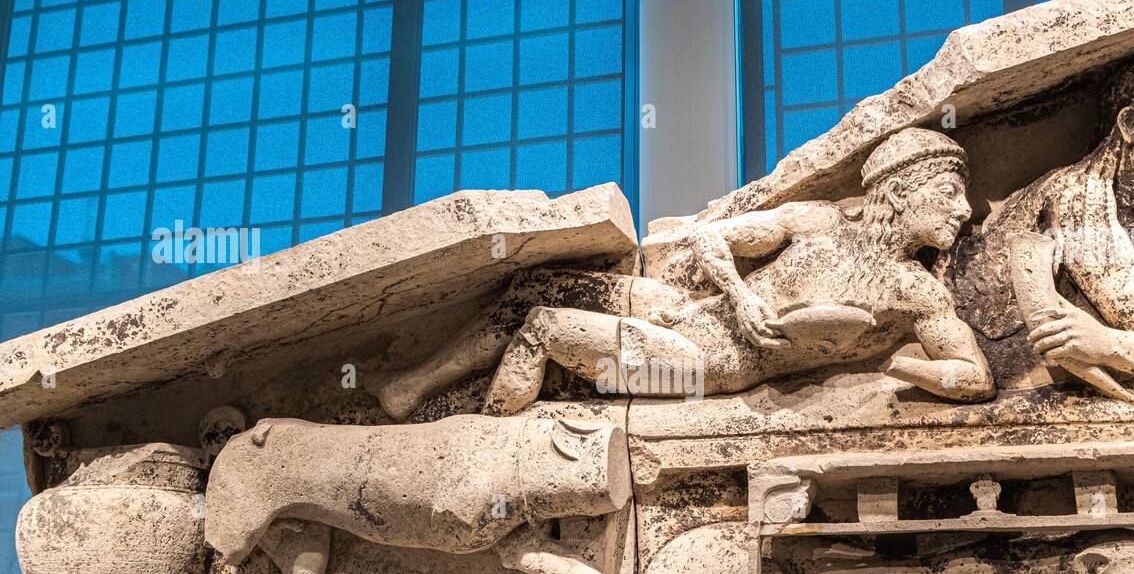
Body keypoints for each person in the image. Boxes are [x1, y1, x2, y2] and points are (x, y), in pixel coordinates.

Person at [370, 127, 995, 419]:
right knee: (532, 283)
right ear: (899, 193)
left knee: (544, 327)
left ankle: (486, 437)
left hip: (703, 366)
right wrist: (743, 298)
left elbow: (973, 377)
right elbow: (709, 238)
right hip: (688, 310)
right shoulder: (817, 221)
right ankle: (412, 385)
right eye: (948, 194)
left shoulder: (914, 291)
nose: (962, 211)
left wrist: (897, 367)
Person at [953, 52, 1134, 430]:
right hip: (1017, 393)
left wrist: (1106, 342)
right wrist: (1113, 344)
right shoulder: (1076, 197)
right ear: (1130, 125)